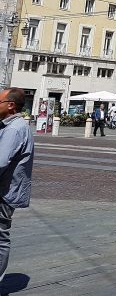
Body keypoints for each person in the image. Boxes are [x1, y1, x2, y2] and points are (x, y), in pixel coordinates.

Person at [0, 88, 34, 279]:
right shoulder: (13, 126)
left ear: (10, 105)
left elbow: (1, 162)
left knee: (0, 238)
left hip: (4, 193)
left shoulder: (14, 129)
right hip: (8, 190)